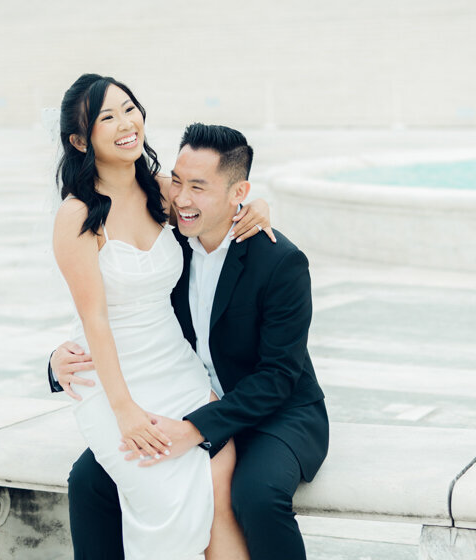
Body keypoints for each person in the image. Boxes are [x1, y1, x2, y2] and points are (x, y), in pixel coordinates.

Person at [51, 119, 329, 560]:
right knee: (88, 479)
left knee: (255, 494)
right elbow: (119, 309)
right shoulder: (173, 245)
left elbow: (278, 377)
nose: (181, 198)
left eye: (198, 187)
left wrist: (195, 430)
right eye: (177, 182)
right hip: (184, 394)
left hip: (274, 413)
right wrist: (57, 362)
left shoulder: (280, 262)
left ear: (238, 194)